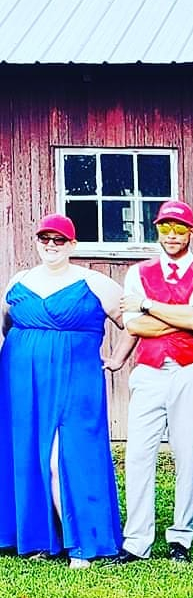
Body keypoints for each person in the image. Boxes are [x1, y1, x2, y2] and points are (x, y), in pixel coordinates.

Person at [0, 214, 134, 568]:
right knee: (27, 453)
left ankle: (84, 541)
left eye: (59, 240)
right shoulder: (20, 279)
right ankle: (40, 537)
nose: (51, 246)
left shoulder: (95, 282)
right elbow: (6, 324)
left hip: (74, 380)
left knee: (67, 456)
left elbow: (132, 322)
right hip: (21, 380)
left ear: (73, 245)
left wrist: (119, 358)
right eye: (45, 239)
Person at [109, 200, 193, 565]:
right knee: (139, 453)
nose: (172, 235)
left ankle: (180, 537)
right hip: (149, 370)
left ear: (191, 231)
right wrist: (180, 319)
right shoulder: (138, 273)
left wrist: (148, 306)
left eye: (179, 228)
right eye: (165, 228)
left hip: (190, 370)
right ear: (156, 229)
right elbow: (134, 325)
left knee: (187, 452)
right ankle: (137, 540)